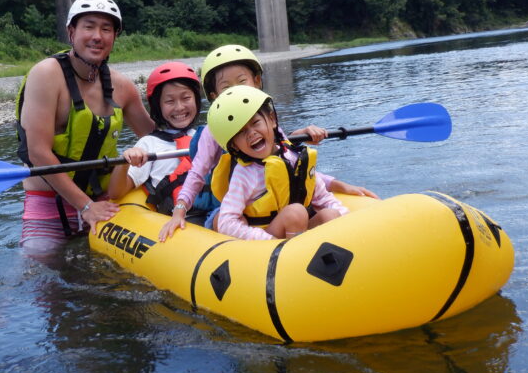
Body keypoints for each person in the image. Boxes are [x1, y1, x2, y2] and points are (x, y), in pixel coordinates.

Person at [158, 44, 377, 241]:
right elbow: (197, 174)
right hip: (232, 205)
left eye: (242, 81)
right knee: (290, 213)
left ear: (257, 81)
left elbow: (287, 163)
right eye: (227, 87)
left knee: (317, 212)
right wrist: (179, 210)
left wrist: (334, 184)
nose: (237, 90)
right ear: (215, 96)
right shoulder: (216, 133)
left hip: (273, 202)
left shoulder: (265, 118)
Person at [16, 0, 155, 249]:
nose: (97, 36)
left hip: (104, 202)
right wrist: (86, 207)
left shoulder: (122, 86)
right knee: (41, 271)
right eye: (89, 26)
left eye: (106, 29)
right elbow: (37, 152)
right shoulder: (46, 75)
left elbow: (155, 138)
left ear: (114, 37)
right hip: (50, 202)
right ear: (72, 32)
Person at [207, 85, 346, 240]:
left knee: (330, 215)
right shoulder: (243, 174)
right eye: (240, 131)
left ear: (272, 120)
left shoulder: (293, 155)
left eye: (255, 122)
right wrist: (267, 241)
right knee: (296, 213)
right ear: (233, 145)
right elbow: (226, 223)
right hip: (268, 241)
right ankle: (296, 255)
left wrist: (348, 218)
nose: (251, 133)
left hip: (298, 229)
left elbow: (322, 197)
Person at [107, 62, 207, 221]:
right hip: (181, 221)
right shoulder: (149, 144)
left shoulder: (205, 137)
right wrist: (125, 161)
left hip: (212, 213)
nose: (179, 107)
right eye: (169, 101)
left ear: (196, 99)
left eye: (186, 97)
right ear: (157, 106)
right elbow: (115, 193)